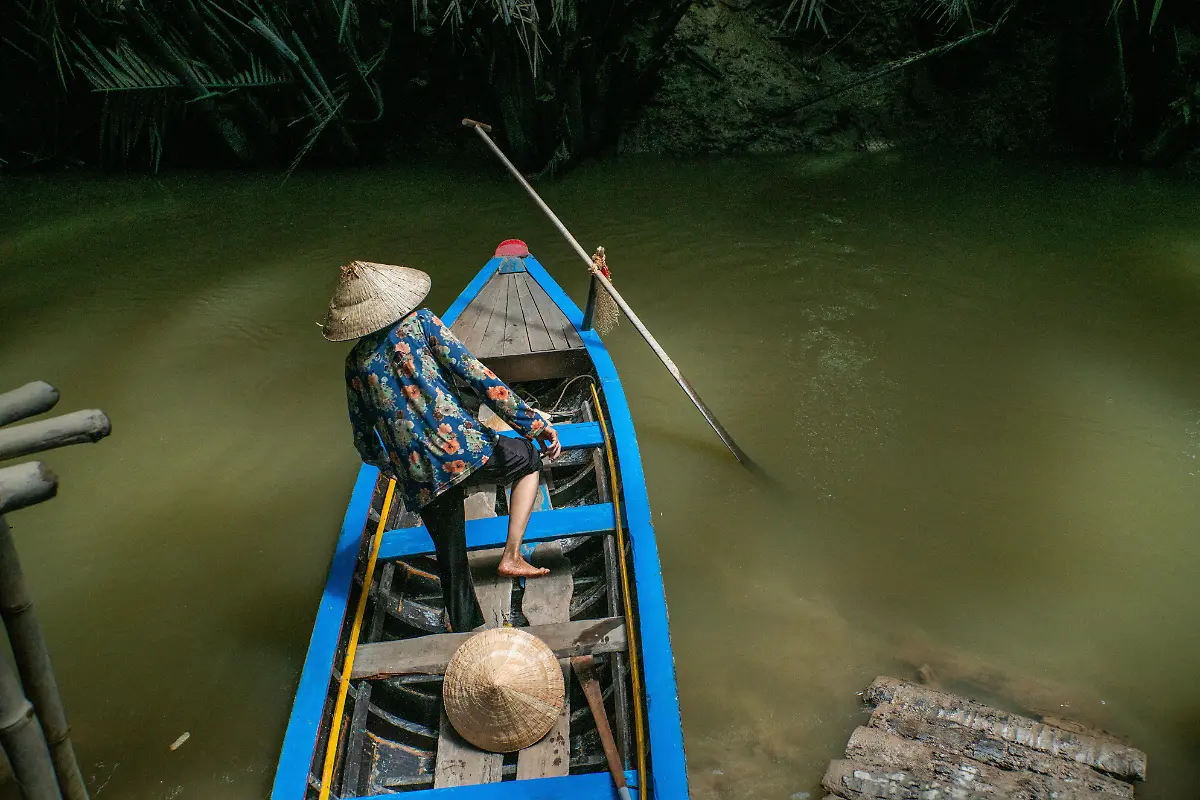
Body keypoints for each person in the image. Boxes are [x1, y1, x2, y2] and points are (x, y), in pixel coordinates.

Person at [322, 260, 561, 632]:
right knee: (528, 459)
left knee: (452, 565)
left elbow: (365, 442)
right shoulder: (421, 322)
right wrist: (533, 425)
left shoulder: (355, 365)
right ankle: (512, 554)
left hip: (419, 475)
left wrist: (397, 467)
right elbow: (478, 377)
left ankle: (467, 634)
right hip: (465, 451)